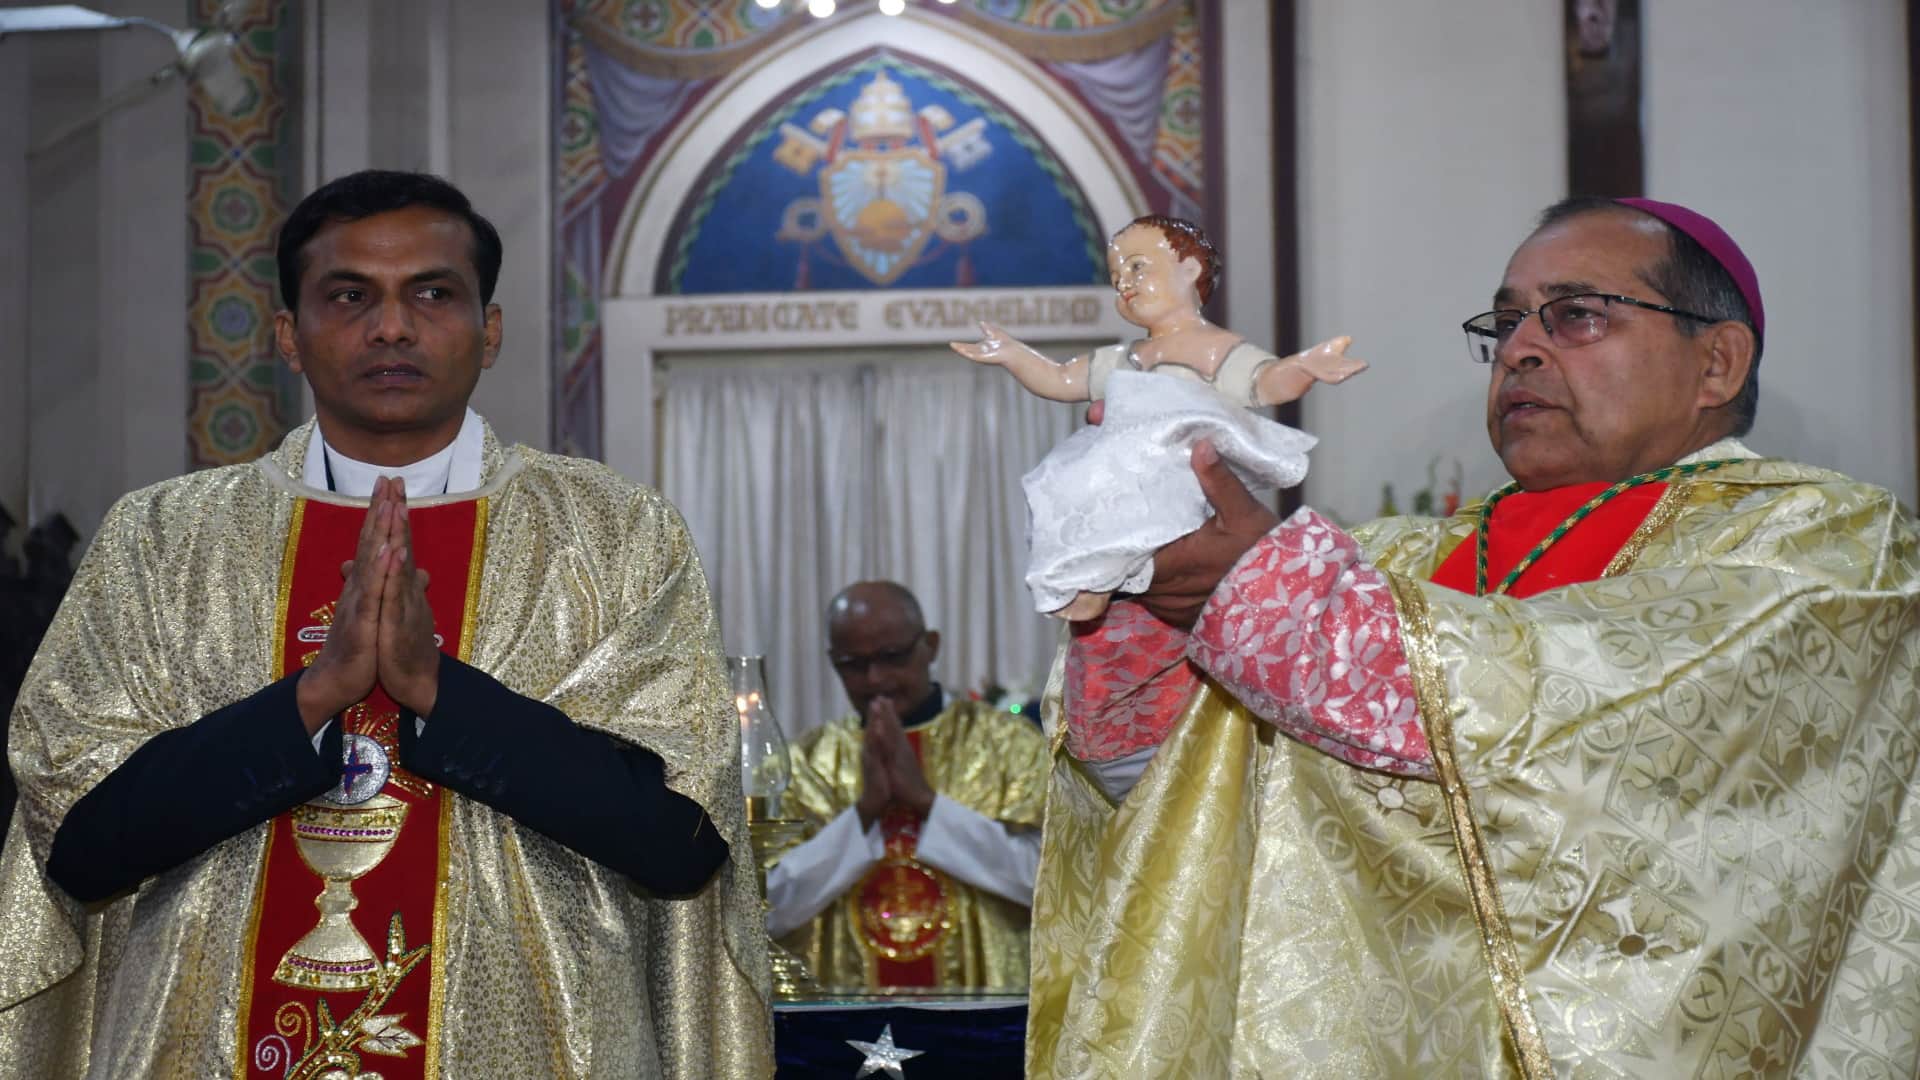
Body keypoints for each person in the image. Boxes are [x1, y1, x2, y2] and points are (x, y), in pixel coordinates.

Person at [1026, 197, 1920, 1076]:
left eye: (1574, 316)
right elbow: (1170, 808)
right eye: (1505, 323)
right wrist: (1137, 605)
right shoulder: (1395, 559)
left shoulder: (1827, 546)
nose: (1521, 347)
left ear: (1717, 362)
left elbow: (1584, 720)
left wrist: (1265, 594)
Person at [0, 170, 772, 1078]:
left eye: (433, 294)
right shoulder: (164, 538)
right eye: (349, 296)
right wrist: (314, 698)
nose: (393, 327)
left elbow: (675, 844)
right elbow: (82, 847)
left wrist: (437, 693)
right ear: (289, 335)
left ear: (489, 331)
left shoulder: (613, 534)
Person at [953, 215, 1366, 622]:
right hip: (1124, 459)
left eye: (1137, 267)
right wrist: (1014, 355)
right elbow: (1060, 378)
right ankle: (1085, 575)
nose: (1126, 284)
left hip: (1177, 458)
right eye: (1116, 279)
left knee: (1135, 503)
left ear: (1190, 269)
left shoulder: (1213, 348)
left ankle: (1106, 576)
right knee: (1059, 479)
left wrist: (1304, 367)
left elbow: (1264, 381)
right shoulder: (1125, 357)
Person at [766, 582, 1050, 990]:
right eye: (853, 664)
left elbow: (1044, 884)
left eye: (892, 657)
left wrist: (926, 803)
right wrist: (865, 812)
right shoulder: (804, 763)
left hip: (987, 1012)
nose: (875, 678)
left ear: (930, 646)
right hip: (841, 1013)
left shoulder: (1010, 745)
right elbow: (769, 908)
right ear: (833, 662)